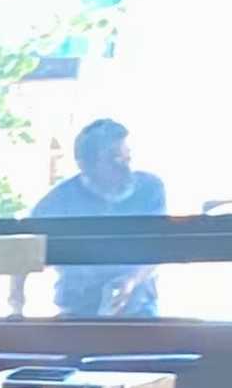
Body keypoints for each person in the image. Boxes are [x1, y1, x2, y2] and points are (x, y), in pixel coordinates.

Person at [31, 118, 168, 317]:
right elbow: (24, 252)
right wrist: (16, 307)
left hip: (138, 308)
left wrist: (132, 280)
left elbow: (158, 245)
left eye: (127, 157)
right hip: (76, 311)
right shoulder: (57, 203)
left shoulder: (150, 189)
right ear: (85, 165)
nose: (125, 167)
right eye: (114, 160)